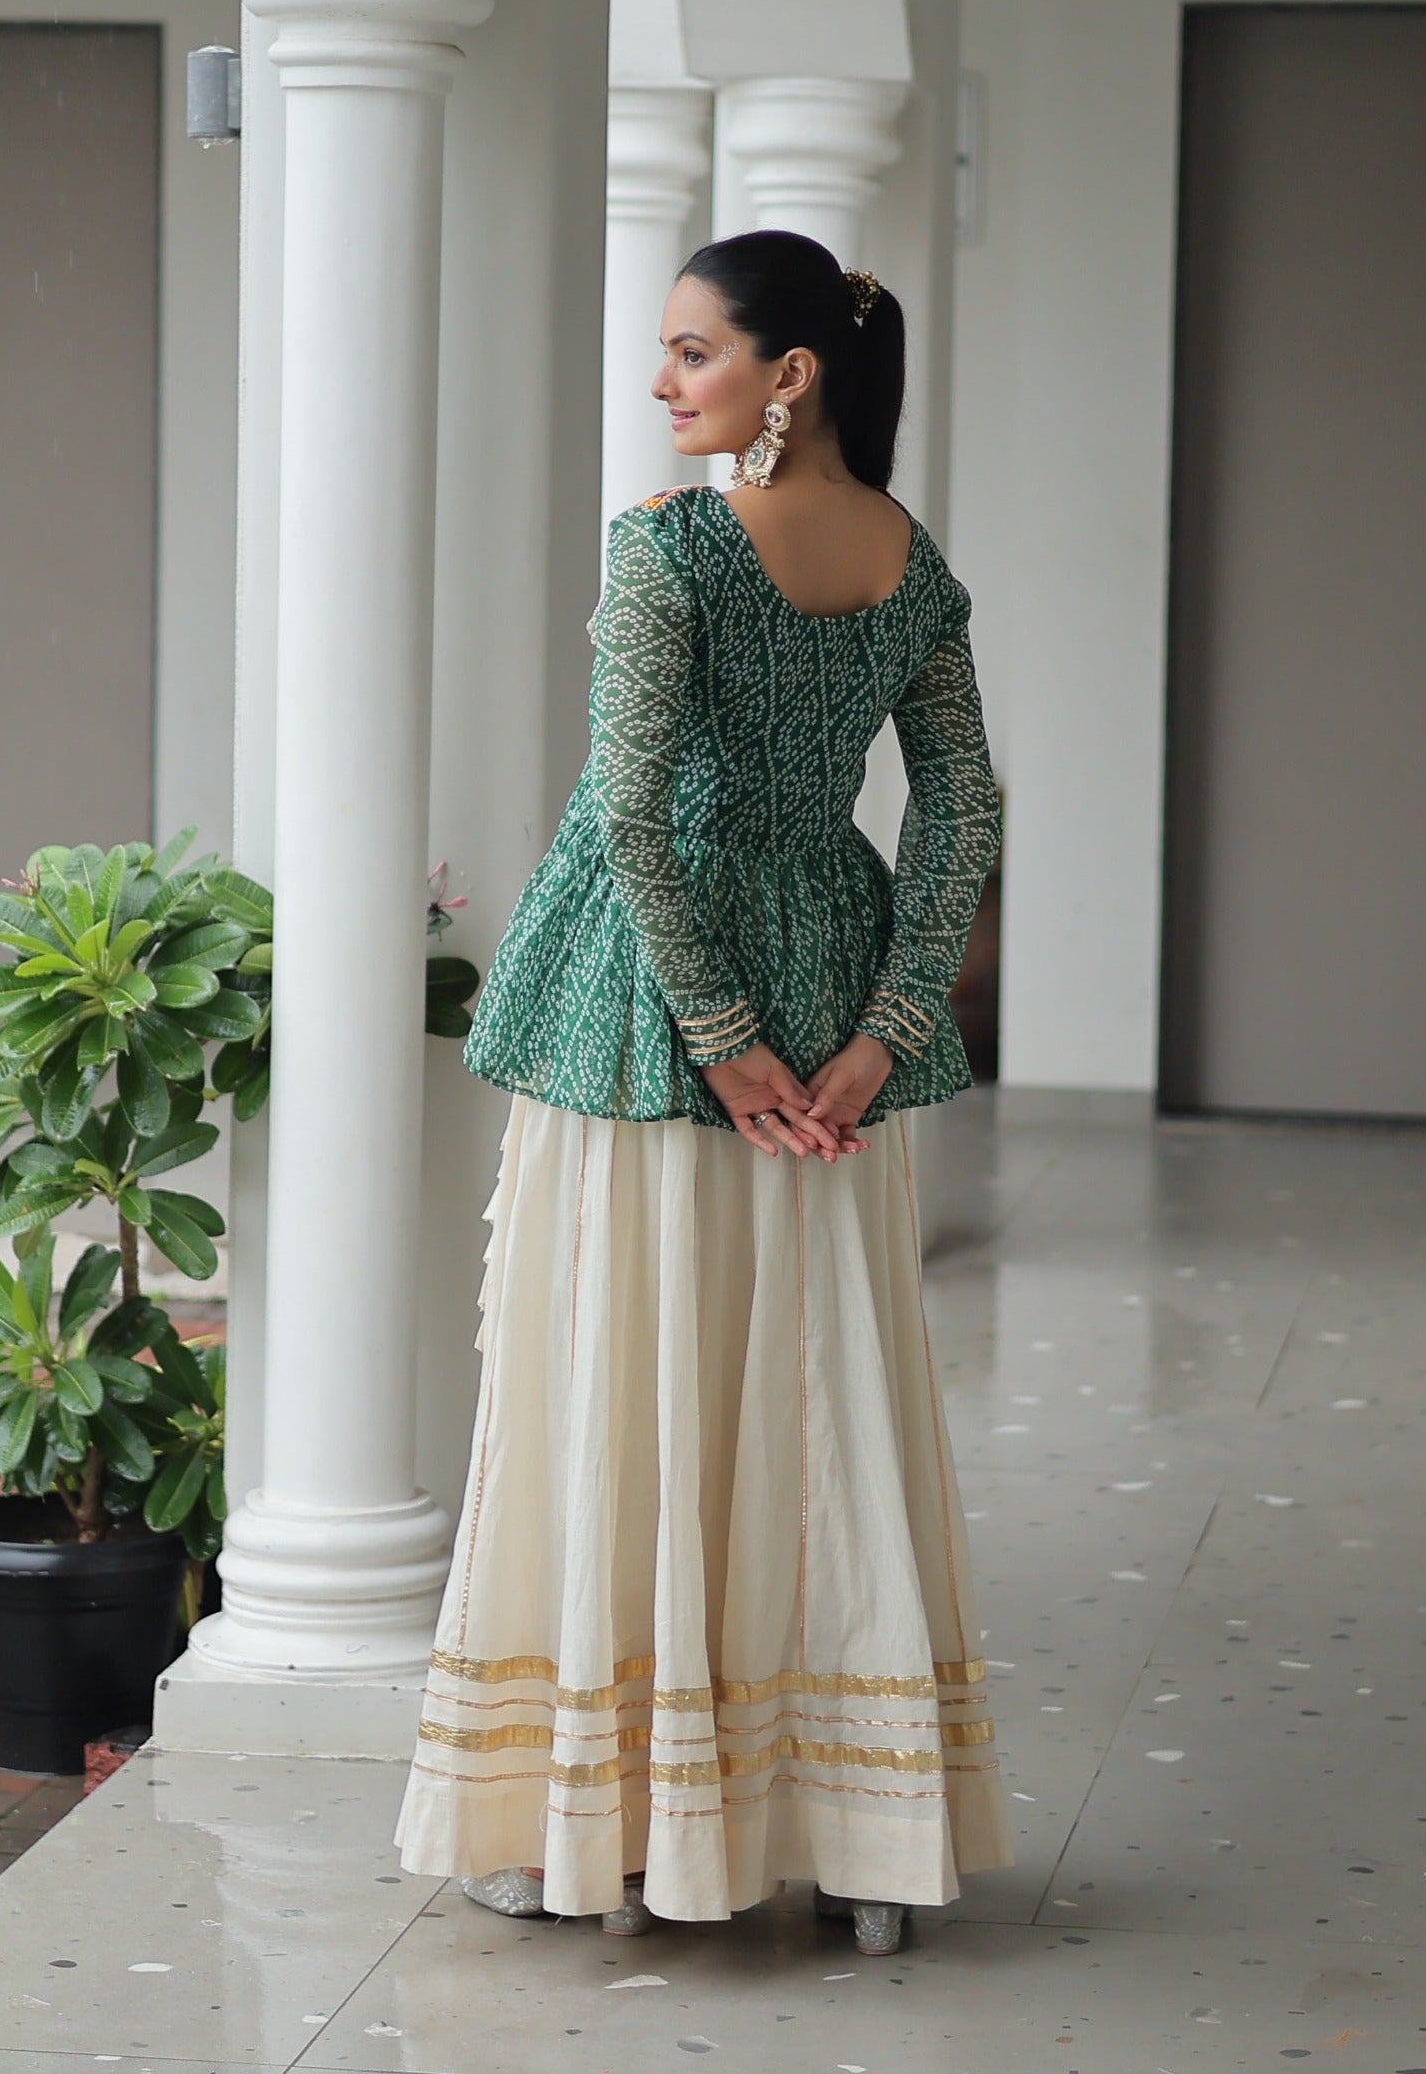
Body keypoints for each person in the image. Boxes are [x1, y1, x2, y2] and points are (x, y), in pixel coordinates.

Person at [396, 230, 1013, 1957]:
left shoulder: (670, 546)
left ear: (786, 372)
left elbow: (627, 811)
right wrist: (886, 1023)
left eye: (691, 352)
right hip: (830, 987)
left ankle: (579, 1823)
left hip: (642, 1002)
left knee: (614, 1382)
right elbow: (964, 804)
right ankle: (861, 1833)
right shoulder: (908, 559)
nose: (661, 381)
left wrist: (719, 1034)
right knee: (822, 1393)